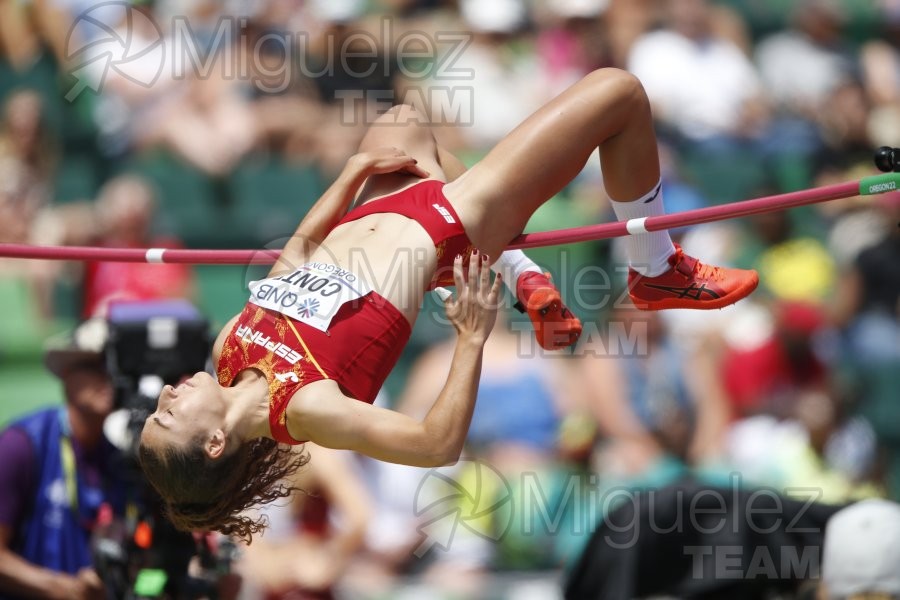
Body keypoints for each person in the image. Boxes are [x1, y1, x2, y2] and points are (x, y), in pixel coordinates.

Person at [138, 68, 759, 542]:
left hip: (375, 210)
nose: (167, 395)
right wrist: (469, 340)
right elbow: (435, 445)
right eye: (169, 415)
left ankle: (519, 271)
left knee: (404, 120)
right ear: (215, 442)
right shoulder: (304, 410)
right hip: (447, 229)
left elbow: (294, 258)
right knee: (616, 94)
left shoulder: (227, 351)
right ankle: (656, 269)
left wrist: (351, 174)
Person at [0, 319, 122, 600]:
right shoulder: (21, 444)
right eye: (94, 366)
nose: (107, 377)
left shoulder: (118, 461)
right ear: (67, 375)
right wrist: (60, 587)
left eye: (113, 368)